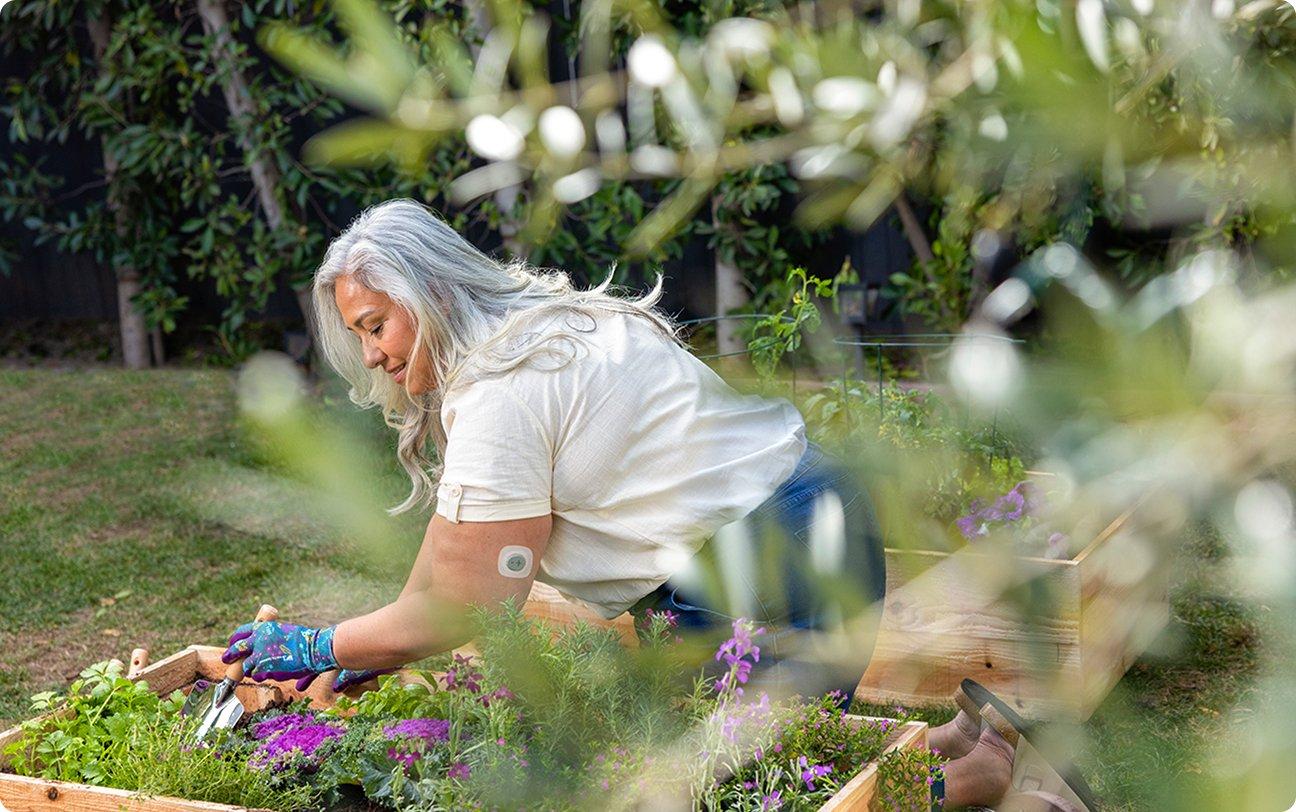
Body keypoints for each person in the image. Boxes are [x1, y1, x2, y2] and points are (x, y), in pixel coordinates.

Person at [220, 199, 1031, 809]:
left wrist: (315, 641)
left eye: (376, 325)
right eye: (357, 335)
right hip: (800, 512)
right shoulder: (545, 323)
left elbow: (468, 603)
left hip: (768, 560)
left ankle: (981, 779)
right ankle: (952, 743)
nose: (372, 355)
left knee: (759, 792)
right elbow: (450, 550)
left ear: (428, 293)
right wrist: (363, 650)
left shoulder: (503, 392)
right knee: (769, 752)